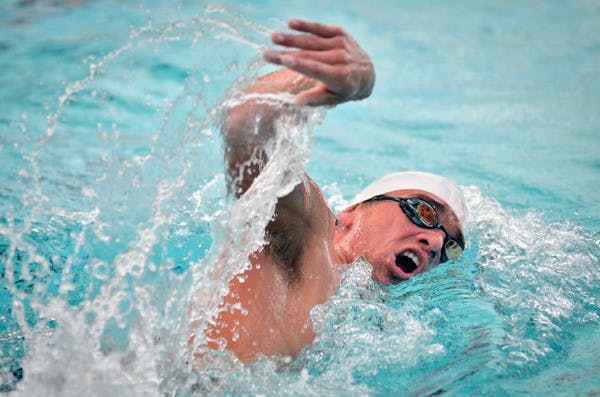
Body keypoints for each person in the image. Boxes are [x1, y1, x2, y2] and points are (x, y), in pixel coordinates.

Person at [201, 19, 467, 364]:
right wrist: (337, 82)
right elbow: (244, 125)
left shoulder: (364, 326)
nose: (434, 243)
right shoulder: (311, 233)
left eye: (452, 247)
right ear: (352, 214)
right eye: (424, 212)